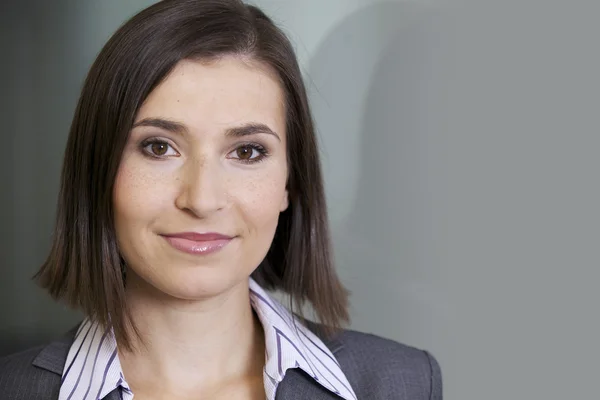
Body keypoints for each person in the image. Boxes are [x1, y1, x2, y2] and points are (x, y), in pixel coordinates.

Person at [0, 0, 442, 399]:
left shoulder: (400, 383)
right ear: (99, 169)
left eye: (247, 152)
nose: (203, 199)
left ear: (290, 182)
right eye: (158, 147)